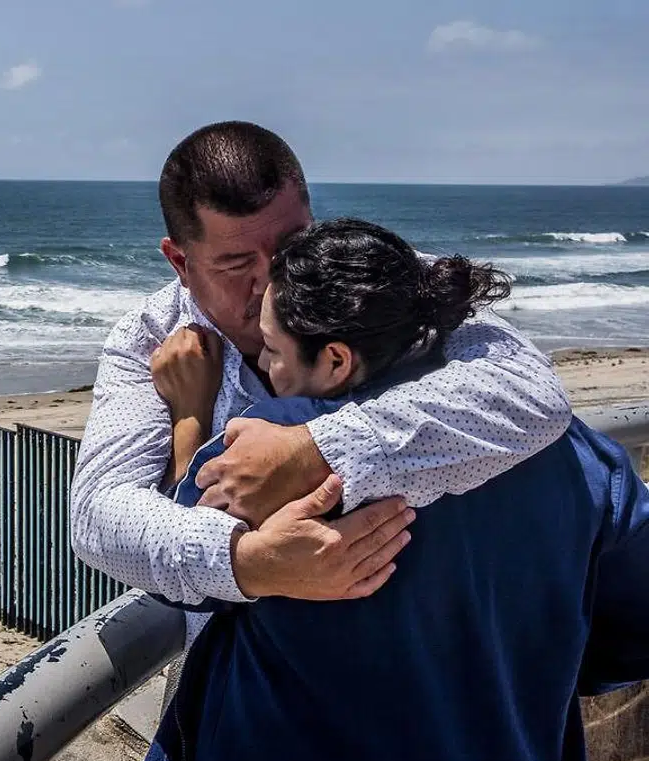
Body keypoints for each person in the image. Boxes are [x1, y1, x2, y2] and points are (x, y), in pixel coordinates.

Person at [124, 218, 649, 761]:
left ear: (336, 359)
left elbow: (179, 562)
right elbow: (633, 628)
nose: (261, 367)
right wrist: (517, 673)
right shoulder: (577, 455)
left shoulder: (265, 464)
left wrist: (191, 417)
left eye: (270, 349)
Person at [70, 121, 571, 613]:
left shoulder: (378, 279)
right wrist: (249, 563)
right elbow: (98, 514)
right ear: (179, 261)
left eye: (291, 243)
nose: (269, 283)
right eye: (236, 265)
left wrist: (312, 453)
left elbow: (529, 390)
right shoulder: (148, 338)